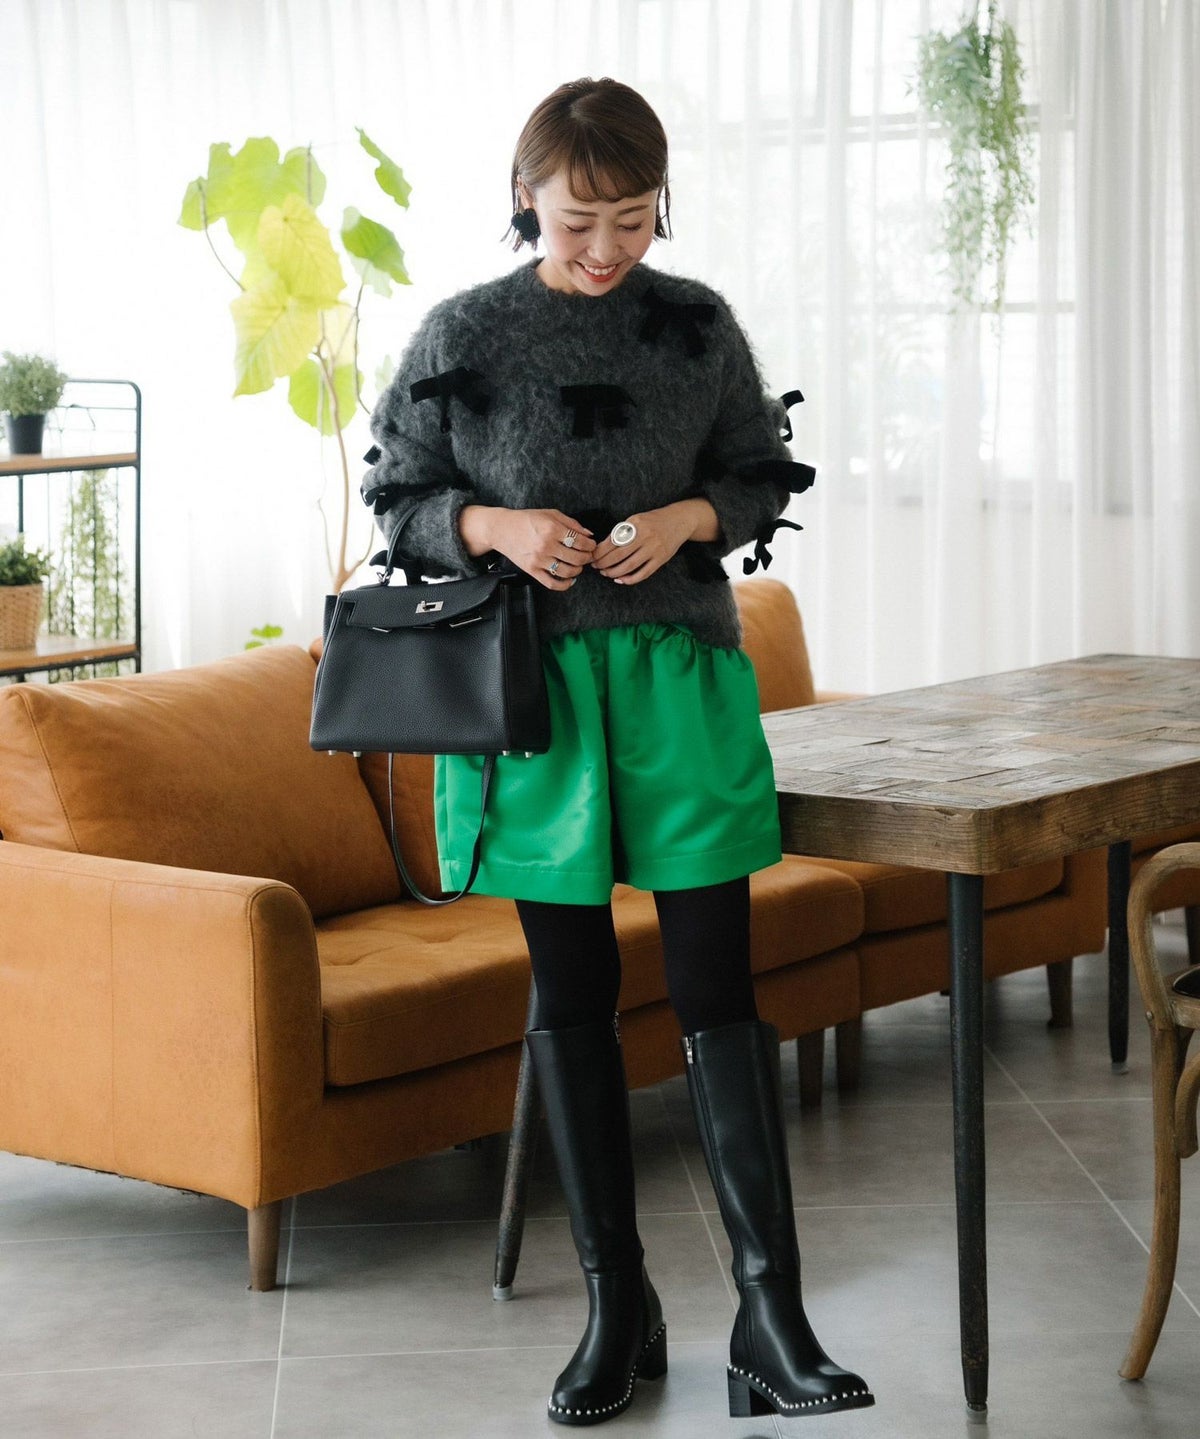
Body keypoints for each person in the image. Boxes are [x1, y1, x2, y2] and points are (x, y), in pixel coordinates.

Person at [364, 76, 873, 1426]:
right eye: (578, 221)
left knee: (715, 982)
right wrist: (496, 529)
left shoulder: (695, 323)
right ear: (524, 195)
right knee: (573, 989)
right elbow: (399, 495)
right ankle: (615, 1308)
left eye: (632, 221)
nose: (604, 251)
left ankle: (771, 1317)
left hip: (682, 683)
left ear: (662, 205)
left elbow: (759, 468)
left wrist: (691, 516)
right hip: (530, 701)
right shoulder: (463, 331)